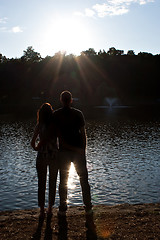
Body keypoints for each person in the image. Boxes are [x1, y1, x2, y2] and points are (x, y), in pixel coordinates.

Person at [53, 91, 93, 222]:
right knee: (83, 180)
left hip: (63, 152)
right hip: (78, 152)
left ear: (61, 100)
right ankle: (88, 208)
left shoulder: (56, 115)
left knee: (63, 180)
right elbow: (83, 134)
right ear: (71, 100)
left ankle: (63, 208)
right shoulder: (78, 114)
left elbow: (54, 134)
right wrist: (83, 150)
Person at [31, 103, 58, 217]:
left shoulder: (39, 125)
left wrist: (37, 147)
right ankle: (50, 209)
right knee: (52, 183)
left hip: (41, 156)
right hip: (54, 156)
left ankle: (42, 210)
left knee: (41, 184)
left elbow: (32, 142)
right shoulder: (55, 125)